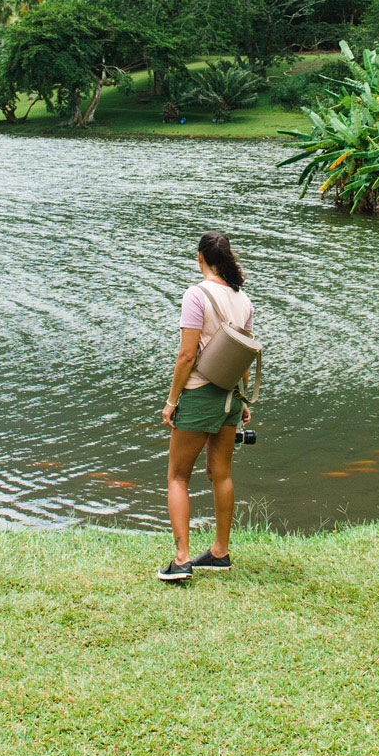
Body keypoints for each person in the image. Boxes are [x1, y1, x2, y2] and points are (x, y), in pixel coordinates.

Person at [155, 230, 255, 584]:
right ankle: (219, 553)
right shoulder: (243, 300)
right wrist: (242, 400)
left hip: (200, 393)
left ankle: (181, 560)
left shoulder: (195, 295)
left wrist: (171, 402)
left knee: (178, 476)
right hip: (230, 396)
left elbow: (186, 355)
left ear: (200, 257)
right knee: (221, 474)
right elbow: (244, 354)